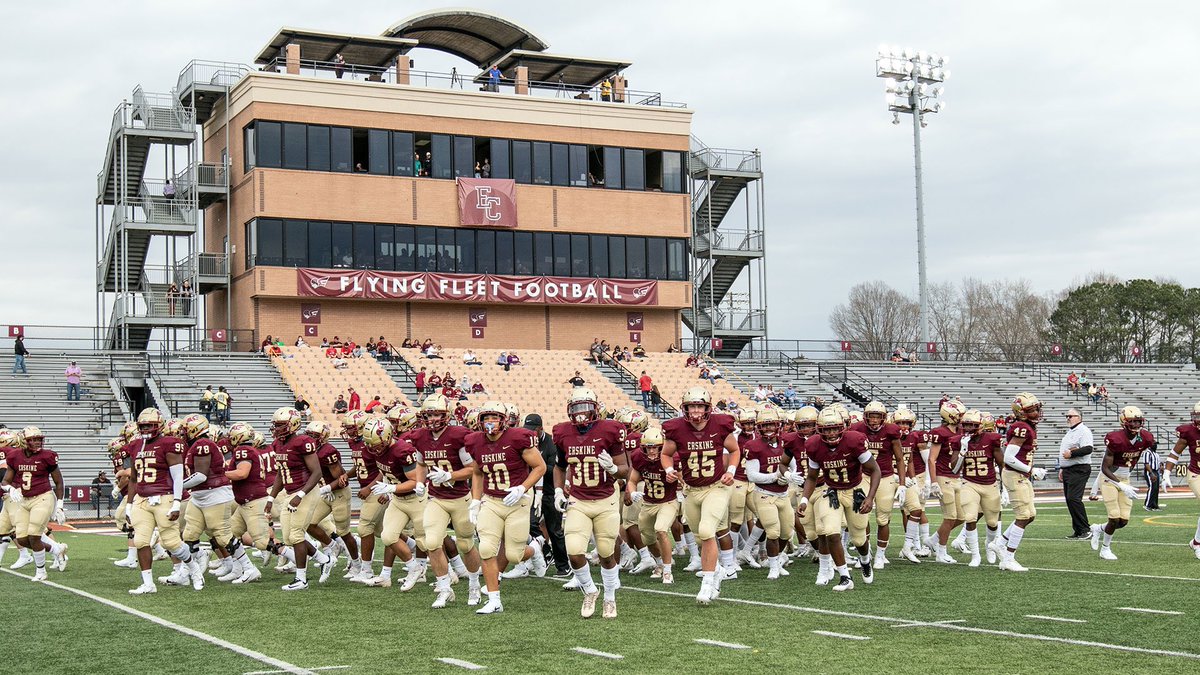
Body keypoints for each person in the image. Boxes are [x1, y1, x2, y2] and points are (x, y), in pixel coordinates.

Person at [553, 388, 628, 618]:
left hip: (606, 498)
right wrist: (558, 490)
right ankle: (590, 590)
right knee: (574, 551)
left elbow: (626, 469)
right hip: (578, 498)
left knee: (606, 552)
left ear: (595, 408)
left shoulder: (611, 430)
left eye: (585, 407)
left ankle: (610, 598)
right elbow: (559, 466)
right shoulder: (562, 432)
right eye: (575, 408)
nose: (580, 413)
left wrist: (614, 469)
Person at [466, 402, 546, 614]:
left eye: (494, 418)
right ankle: (494, 600)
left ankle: (535, 549)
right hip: (492, 500)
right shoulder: (475, 441)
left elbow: (540, 467)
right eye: (486, 418)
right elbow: (477, 472)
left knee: (513, 555)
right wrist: (475, 500)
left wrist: (522, 488)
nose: (489, 422)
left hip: (516, 501)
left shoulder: (518, 437)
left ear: (504, 420)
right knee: (486, 548)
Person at [661, 388, 739, 604]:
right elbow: (666, 454)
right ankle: (719, 571)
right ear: (684, 408)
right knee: (700, 536)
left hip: (716, 487)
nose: (695, 411)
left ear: (707, 408)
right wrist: (668, 471)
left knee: (707, 531)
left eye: (699, 406)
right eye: (691, 406)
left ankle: (707, 584)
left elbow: (734, 450)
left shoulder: (721, 424)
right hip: (691, 490)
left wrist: (731, 471)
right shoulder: (676, 428)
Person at [409, 394, 483, 606]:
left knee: (466, 544)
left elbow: (472, 469)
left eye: (436, 414)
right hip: (436, 498)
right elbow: (421, 465)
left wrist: (450, 475)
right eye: (429, 414)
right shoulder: (420, 437)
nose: (432, 419)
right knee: (432, 543)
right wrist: (420, 483)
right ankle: (443, 588)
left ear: (446, 415)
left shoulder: (459, 435)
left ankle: (474, 584)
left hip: (460, 498)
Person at [797, 407, 881, 592]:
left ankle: (865, 560)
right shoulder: (813, 445)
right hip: (832, 491)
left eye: (834, 428)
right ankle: (845, 576)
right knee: (831, 532)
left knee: (859, 539)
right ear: (819, 430)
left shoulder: (854, 441)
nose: (831, 433)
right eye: (827, 429)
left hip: (855, 490)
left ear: (842, 427)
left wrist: (870, 497)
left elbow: (875, 470)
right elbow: (811, 477)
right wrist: (804, 499)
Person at [122, 408, 204, 594]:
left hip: (163, 497)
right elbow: (133, 479)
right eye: (142, 426)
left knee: (171, 543)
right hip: (141, 500)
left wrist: (176, 502)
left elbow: (177, 476)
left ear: (159, 425)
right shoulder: (135, 445)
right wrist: (128, 504)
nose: (145, 429)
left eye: (149, 425)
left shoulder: (169, 443)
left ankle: (194, 568)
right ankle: (148, 584)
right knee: (141, 541)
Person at [265, 407, 336, 591]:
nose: (276, 429)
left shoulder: (303, 442)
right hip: (291, 493)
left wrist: (300, 494)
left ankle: (301, 579)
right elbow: (281, 473)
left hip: (306, 492)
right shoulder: (277, 444)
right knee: (289, 537)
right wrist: (271, 497)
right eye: (276, 425)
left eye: (280, 425)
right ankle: (324, 559)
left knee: (296, 535)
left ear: (292, 425)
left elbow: (317, 472)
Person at [991, 393, 1048, 572]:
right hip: (1015, 475)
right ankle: (1008, 558)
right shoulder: (1021, 428)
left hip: (1020, 475)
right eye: (1031, 410)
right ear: (1021, 413)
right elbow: (1008, 457)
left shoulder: (1027, 426)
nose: (1037, 413)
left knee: (1030, 515)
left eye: (1037, 408)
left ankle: (999, 542)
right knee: (1023, 516)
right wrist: (1031, 470)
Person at [849, 401, 906, 569]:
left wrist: (901, 483)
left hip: (885, 476)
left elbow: (900, 458)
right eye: (871, 417)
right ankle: (865, 553)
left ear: (884, 418)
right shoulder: (857, 429)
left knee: (883, 519)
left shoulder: (891, 431)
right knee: (861, 515)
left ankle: (880, 555)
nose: (874, 420)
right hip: (863, 476)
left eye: (877, 417)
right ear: (865, 417)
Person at [1089, 406, 1150, 560]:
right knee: (1114, 517)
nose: (1136, 425)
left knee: (1123, 521)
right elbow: (1104, 468)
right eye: (1132, 421)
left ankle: (1098, 528)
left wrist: (1124, 482)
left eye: (1138, 421)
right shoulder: (1115, 438)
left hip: (1125, 479)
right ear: (1124, 421)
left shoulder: (1146, 438)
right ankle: (1105, 549)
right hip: (1110, 479)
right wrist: (1097, 488)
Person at [926, 400, 965, 564]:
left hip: (956, 477)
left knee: (961, 517)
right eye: (960, 415)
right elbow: (931, 459)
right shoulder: (940, 432)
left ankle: (933, 540)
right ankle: (941, 552)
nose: (962, 418)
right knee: (950, 517)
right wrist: (934, 482)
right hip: (944, 477)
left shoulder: (962, 431)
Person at [1164, 401, 1200, 559]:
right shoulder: (1189, 432)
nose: (1197, 420)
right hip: (1196, 474)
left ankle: (1196, 541)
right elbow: (1175, 453)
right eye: (1197, 416)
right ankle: (1198, 543)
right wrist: (1166, 472)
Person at [1057, 408, 1094, 539]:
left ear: (1079, 417)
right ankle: (1078, 529)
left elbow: (1089, 448)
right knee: (1070, 500)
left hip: (1079, 469)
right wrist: (1062, 467)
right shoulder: (1071, 431)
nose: (1068, 418)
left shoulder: (1083, 431)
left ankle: (1085, 529)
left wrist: (1072, 453)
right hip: (1069, 469)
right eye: (1067, 416)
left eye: (1070, 416)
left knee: (1074, 498)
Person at [1141, 433, 1162, 512]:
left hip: (1156, 471)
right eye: (1154, 444)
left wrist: (1161, 468)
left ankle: (1154, 505)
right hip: (1150, 471)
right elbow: (1146, 464)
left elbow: (1158, 463)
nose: (1155, 445)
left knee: (1156, 489)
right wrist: (1151, 473)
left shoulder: (1156, 454)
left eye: (1156, 444)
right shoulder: (1147, 452)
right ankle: (1147, 505)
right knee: (1152, 487)